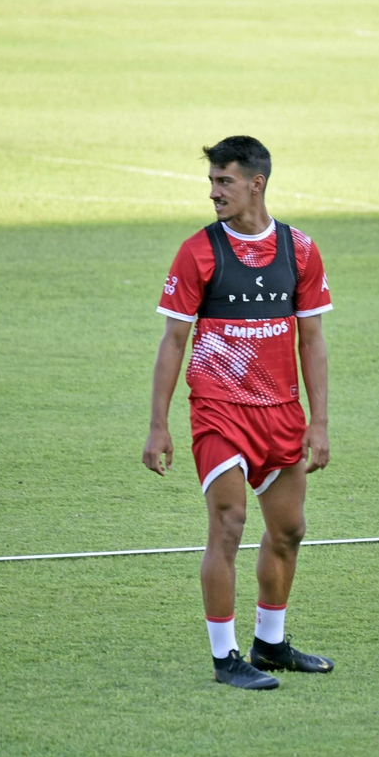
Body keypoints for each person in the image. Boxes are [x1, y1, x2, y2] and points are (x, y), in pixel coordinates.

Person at [144, 136, 334, 691]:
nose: (213, 192)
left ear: (257, 183)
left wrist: (319, 421)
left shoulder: (300, 250)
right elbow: (173, 341)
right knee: (228, 525)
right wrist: (158, 424)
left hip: (281, 413)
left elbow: (312, 340)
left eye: (224, 181)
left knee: (289, 530)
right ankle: (225, 657)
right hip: (219, 412)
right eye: (211, 181)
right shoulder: (198, 252)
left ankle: (269, 644)